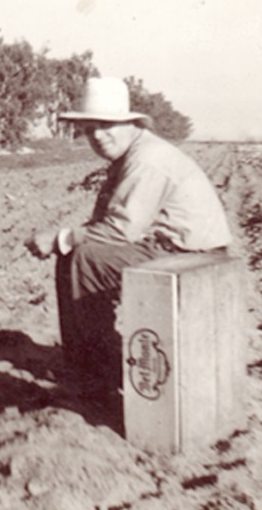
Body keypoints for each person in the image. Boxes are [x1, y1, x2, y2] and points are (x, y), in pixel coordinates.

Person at [24, 77, 232, 405]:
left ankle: (95, 380)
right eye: (90, 129)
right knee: (77, 254)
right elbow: (108, 225)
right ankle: (92, 367)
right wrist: (70, 239)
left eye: (106, 126)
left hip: (192, 254)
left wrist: (61, 237)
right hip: (178, 248)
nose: (98, 136)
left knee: (83, 260)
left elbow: (119, 231)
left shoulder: (146, 159)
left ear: (129, 123)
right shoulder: (134, 153)